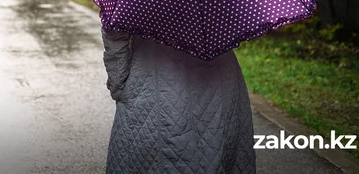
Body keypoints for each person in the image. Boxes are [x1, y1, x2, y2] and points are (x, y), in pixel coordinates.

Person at [102, 29, 256, 174]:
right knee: (216, 147)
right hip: (220, 77)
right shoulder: (219, 0)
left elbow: (114, 35)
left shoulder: (136, 0)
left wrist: (118, 85)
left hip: (152, 75)